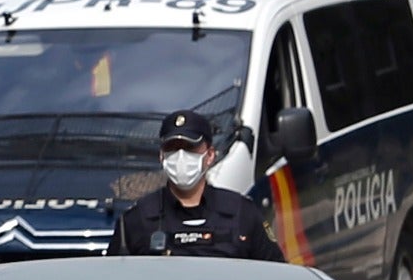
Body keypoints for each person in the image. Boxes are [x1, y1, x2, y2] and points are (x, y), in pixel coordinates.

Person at [108, 110, 287, 260]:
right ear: (162, 157)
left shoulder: (243, 213)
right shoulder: (136, 220)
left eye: (189, 148)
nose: (180, 156)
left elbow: (276, 276)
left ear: (210, 155)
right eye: (172, 148)